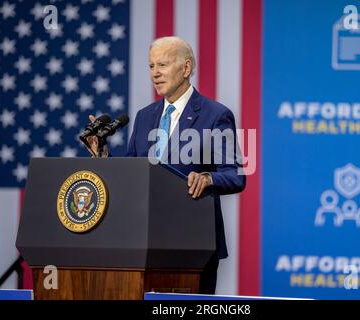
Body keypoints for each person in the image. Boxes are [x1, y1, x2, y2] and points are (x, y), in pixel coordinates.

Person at [85, 36, 246, 294]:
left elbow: (234, 176)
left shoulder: (216, 115)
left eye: (162, 65)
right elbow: (133, 173)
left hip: (193, 243)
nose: (155, 74)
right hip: (142, 243)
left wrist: (207, 178)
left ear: (186, 68)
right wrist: (103, 156)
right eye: (151, 66)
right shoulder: (144, 116)